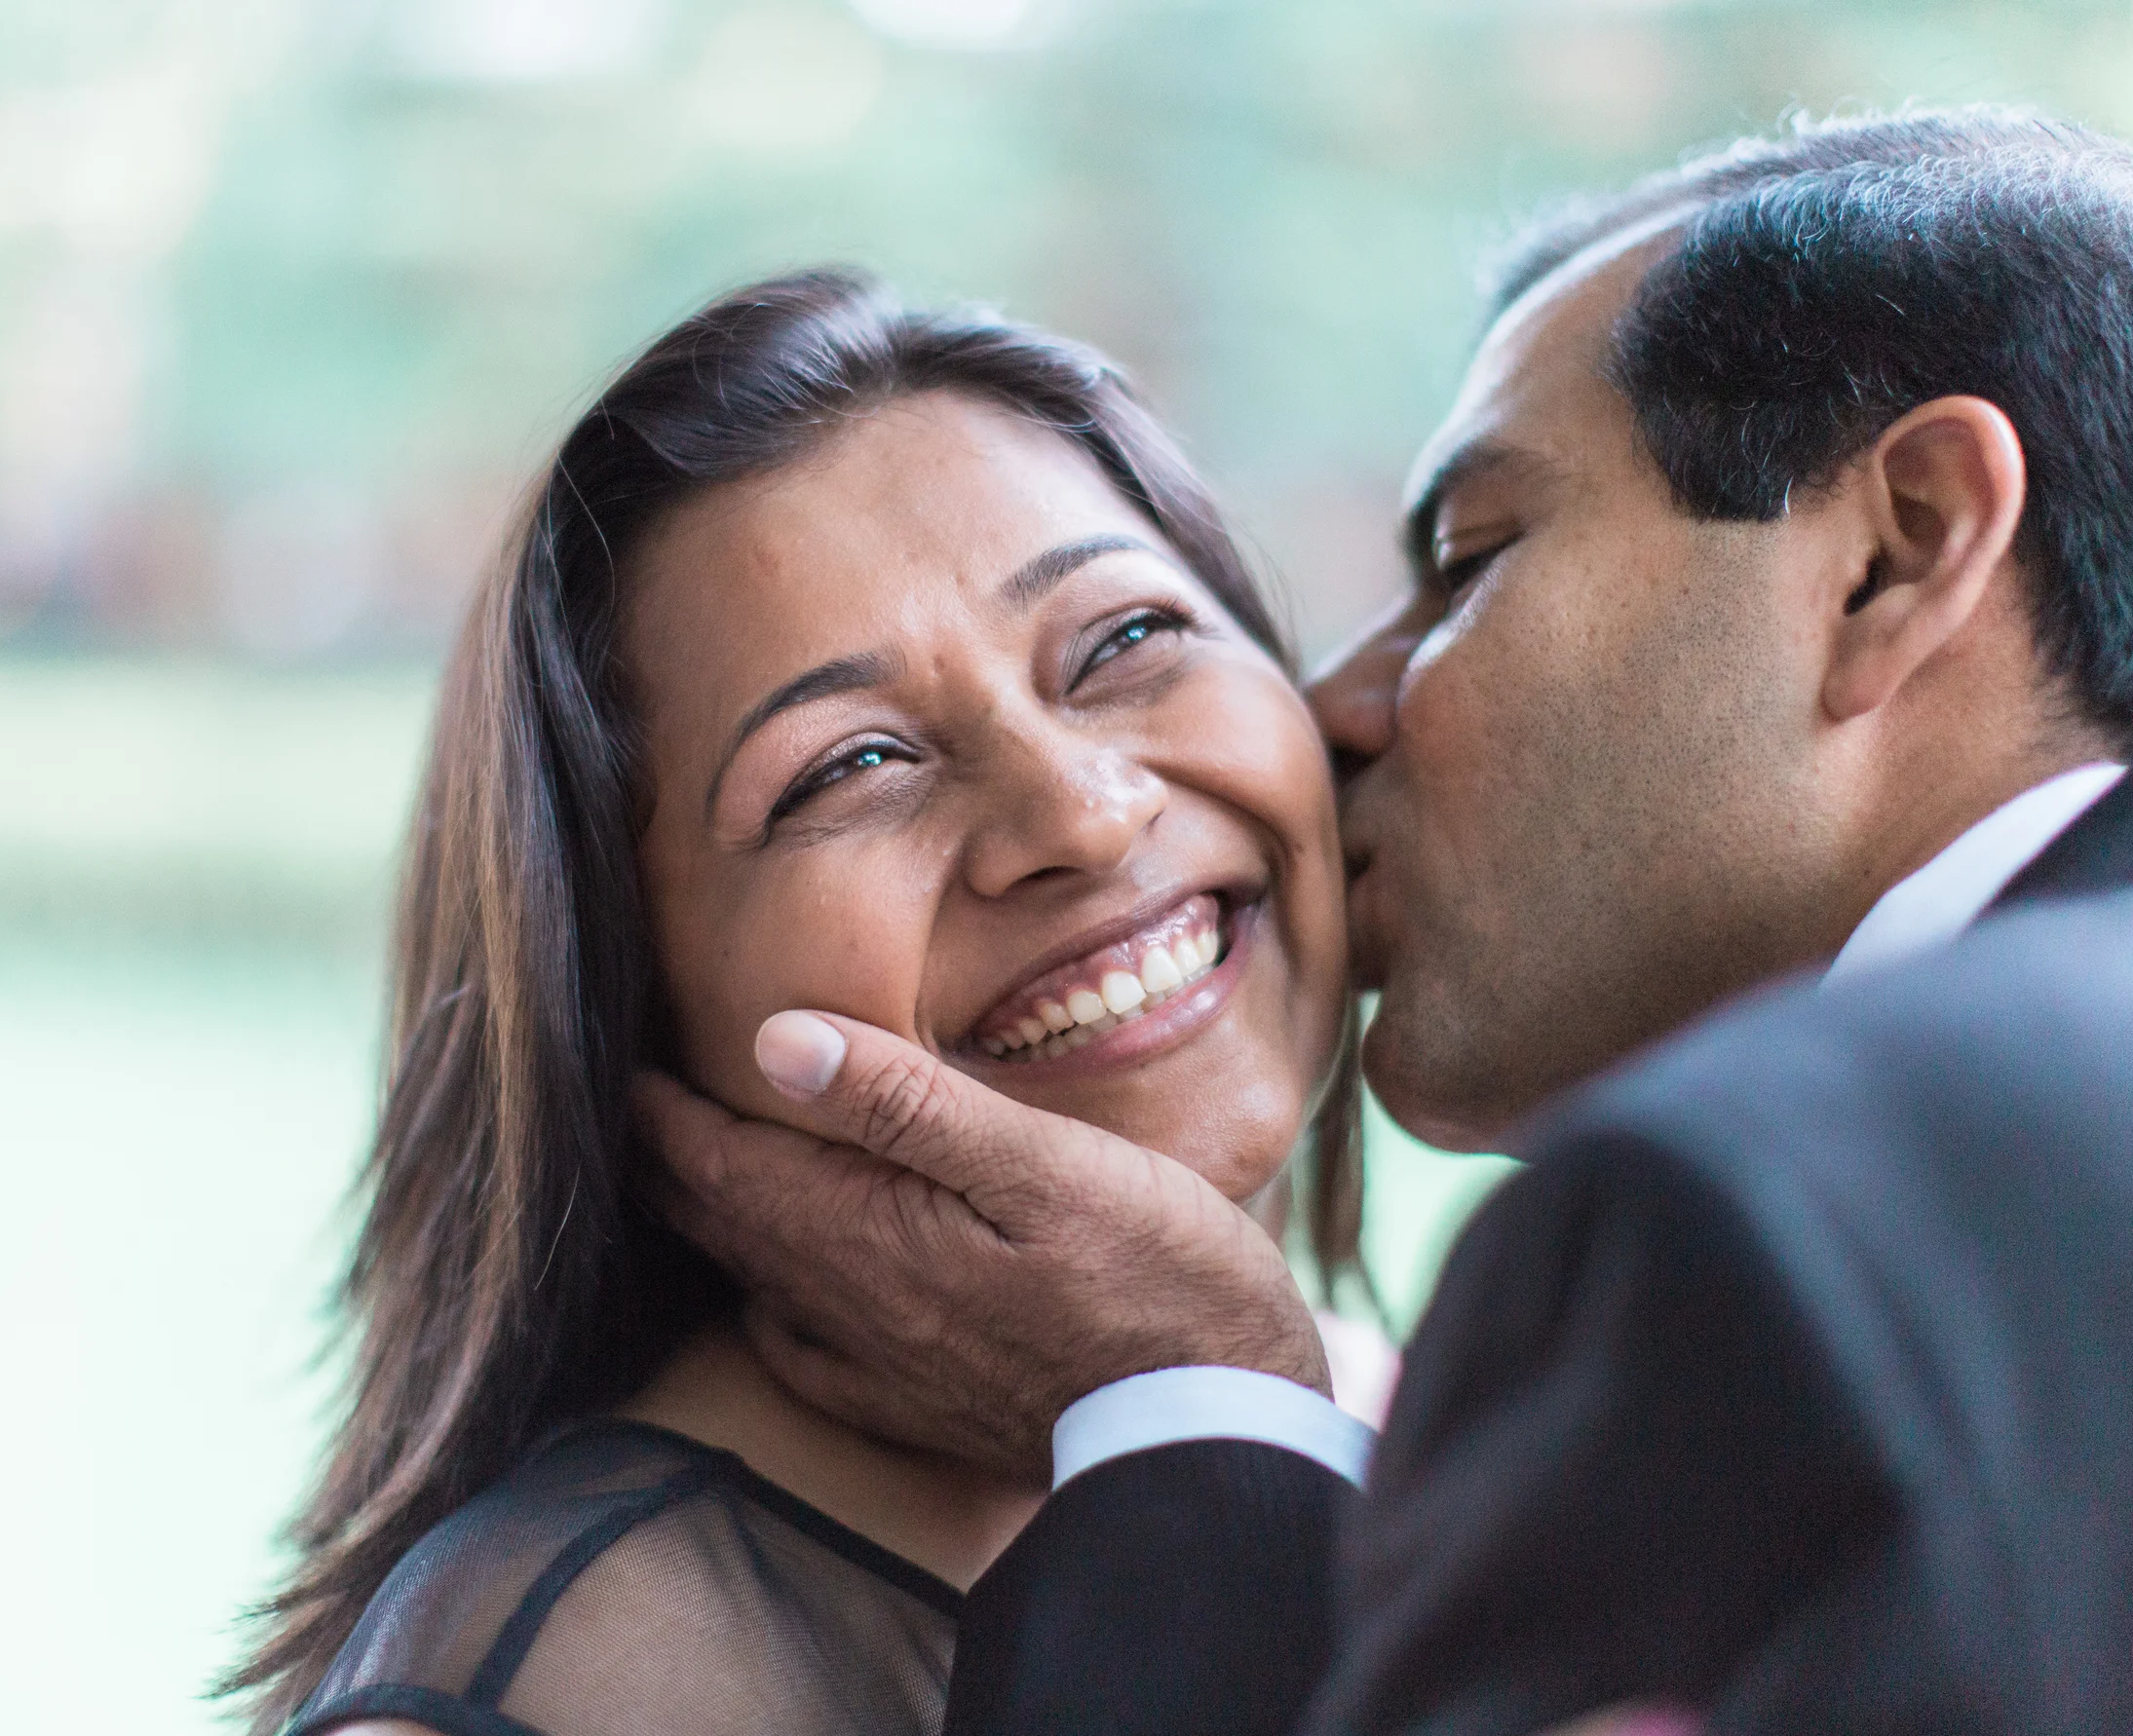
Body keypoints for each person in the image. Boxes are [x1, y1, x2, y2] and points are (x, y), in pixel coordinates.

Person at [652, 110, 2133, 1732]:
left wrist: (1185, 1399)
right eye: (851, 761)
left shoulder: (1757, 1218)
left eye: (1473, 556)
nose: (1341, 701)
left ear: (1899, 549)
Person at [226, 268, 1387, 1736]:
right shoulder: (564, 1681)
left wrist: (1220, 1408)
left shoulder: (1442, 1417)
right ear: (629, 994)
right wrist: (1207, 1403)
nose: (1083, 813)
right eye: (853, 765)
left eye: (1122, 641)